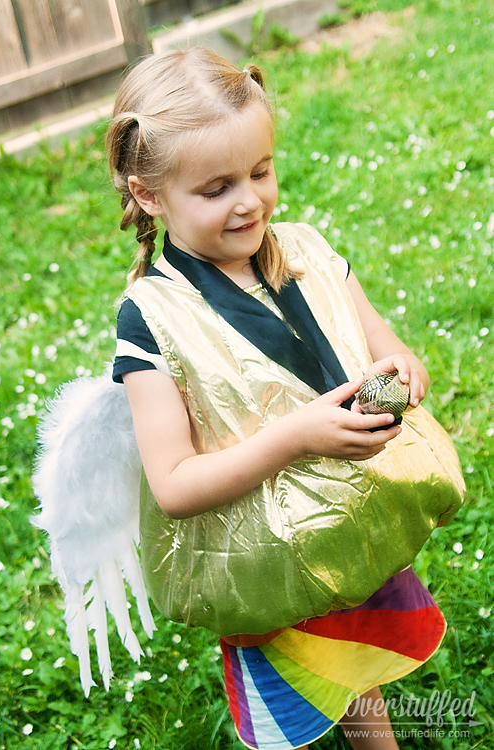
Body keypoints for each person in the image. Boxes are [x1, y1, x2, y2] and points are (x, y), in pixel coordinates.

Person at [106, 47, 449, 750]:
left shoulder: (308, 249)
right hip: (263, 565)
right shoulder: (150, 319)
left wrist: (396, 383)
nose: (250, 201)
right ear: (148, 194)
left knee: (354, 669)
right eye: (216, 188)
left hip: (352, 525)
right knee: (289, 713)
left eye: (261, 172)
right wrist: (297, 437)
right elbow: (172, 484)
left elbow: (396, 358)